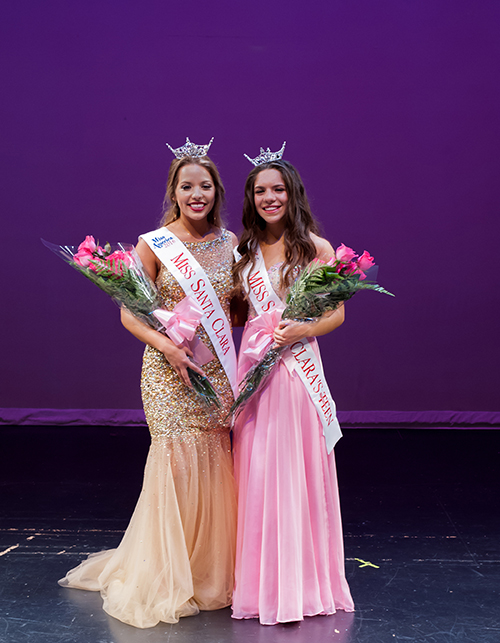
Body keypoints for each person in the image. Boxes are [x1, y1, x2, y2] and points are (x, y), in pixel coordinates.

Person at [58, 138, 239, 628]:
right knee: (175, 461)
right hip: (166, 368)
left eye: (205, 185)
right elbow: (131, 314)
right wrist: (171, 347)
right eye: (187, 186)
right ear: (174, 192)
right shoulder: (153, 242)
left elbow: (235, 308)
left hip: (217, 367)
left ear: (216, 191)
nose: (196, 194)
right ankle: (166, 571)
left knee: (214, 458)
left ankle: (207, 568)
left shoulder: (232, 244)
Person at [231, 144, 355, 625]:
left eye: (277, 189)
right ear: (251, 198)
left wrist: (304, 329)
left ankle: (302, 584)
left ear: (292, 193)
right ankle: (261, 585)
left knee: (298, 470)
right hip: (256, 370)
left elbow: (337, 312)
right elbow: (238, 314)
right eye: (260, 191)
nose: (269, 198)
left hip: (298, 370)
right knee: (259, 472)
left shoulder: (316, 249)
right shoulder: (243, 251)